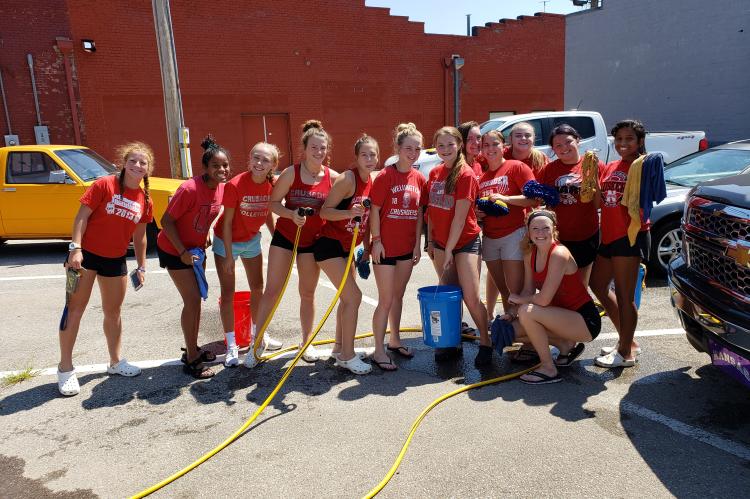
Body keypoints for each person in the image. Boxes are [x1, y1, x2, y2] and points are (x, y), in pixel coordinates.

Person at [56, 142, 154, 396]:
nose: (137, 166)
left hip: (115, 260)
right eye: (133, 161)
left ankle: (115, 361)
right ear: (124, 162)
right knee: (74, 309)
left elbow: (140, 236)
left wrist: (141, 265)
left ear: (148, 169)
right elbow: (81, 217)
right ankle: (65, 368)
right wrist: (75, 248)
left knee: (114, 312)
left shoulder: (144, 199)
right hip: (84, 257)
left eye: (143, 163)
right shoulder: (104, 185)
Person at [247, 120, 336, 367]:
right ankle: (256, 345)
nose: (319, 152)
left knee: (307, 293)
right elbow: (273, 204)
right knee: (273, 290)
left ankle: (306, 342)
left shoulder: (334, 178)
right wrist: (291, 214)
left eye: (323, 148)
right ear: (304, 149)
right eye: (314, 148)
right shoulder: (291, 173)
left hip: (312, 243)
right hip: (286, 238)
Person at [158, 136, 228, 379]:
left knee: (197, 299)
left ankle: (193, 347)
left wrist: (206, 232)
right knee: (192, 300)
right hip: (175, 250)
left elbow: (207, 214)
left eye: (225, 165)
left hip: (196, 251)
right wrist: (182, 253)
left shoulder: (221, 188)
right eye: (216, 166)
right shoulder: (189, 189)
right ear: (205, 169)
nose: (222, 170)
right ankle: (190, 358)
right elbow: (165, 221)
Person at [507, 210, 601, 384]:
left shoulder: (559, 253)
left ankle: (548, 368)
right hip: (559, 316)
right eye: (535, 228)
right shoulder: (530, 254)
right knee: (510, 330)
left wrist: (519, 302)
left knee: (527, 312)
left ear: (554, 229)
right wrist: (511, 313)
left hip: (585, 321)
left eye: (545, 228)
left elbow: (543, 300)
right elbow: (528, 290)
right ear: (528, 231)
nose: (540, 233)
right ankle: (564, 346)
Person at [424, 126, 492, 366]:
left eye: (450, 145)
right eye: (440, 146)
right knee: (450, 297)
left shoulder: (465, 175)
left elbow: (460, 218)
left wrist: (451, 250)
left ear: (459, 145)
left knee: (471, 297)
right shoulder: (434, 173)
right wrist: (431, 242)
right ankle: (451, 342)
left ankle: (486, 342)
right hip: (441, 243)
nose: (445, 150)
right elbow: (431, 210)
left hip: (464, 242)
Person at [214, 142, 281, 367]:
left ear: (273, 165)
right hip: (228, 242)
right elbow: (227, 222)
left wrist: (277, 238)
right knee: (228, 292)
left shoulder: (273, 184)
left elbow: (269, 213)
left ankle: (258, 335)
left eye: (265, 160)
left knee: (257, 289)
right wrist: (228, 257)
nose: (259, 163)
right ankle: (232, 344)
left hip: (252, 240)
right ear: (250, 159)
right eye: (256, 158)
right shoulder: (235, 184)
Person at [315, 134, 377, 374]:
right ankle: (348, 356)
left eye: (373, 155)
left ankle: (340, 348)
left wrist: (367, 247)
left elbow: (367, 220)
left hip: (347, 247)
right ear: (356, 157)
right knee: (353, 298)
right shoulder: (347, 179)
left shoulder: (371, 180)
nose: (369, 159)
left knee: (346, 299)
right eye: (365, 155)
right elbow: (325, 212)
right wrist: (349, 213)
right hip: (328, 245)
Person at [590, 120, 650, 368]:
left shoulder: (643, 166)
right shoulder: (611, 166)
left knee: (626, 296)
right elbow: (597, 203)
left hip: (630, 236)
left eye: (629, 139)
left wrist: (649, 164)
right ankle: (628, 340)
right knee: (597, 284)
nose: (623, 144)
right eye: (619, 140)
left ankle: (626, 352)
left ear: (640, 142)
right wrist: (592, 176)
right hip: (609, 235)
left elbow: (650, 197)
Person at [369, 123, 426, 371]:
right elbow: (374, 209)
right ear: (398, 149)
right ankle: (378, 350)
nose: (413, 153)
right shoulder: (385, 176)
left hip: (406, 248)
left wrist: (417, 245)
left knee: (398, 296)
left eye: (417, 148)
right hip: (385, 248)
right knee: (385, 300)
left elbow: (418, 213)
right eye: (408, 148)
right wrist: (377, 240)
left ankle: (394, 340)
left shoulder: (419, 178)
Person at [536, 124, 604, 286]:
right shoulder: (549, 170)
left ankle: (579, 311)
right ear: (553, 149)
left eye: (568, 142)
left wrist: (592, 179)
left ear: (578, 141)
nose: (564, 148)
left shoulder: (596, 165)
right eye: (558, 145)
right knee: (559, 284)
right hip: (559, 236)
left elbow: (599, 205)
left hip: (586, 235)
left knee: (580, 285)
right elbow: (539, 201)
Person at [478, 130, 537, 314]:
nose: (490, 149)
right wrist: (479, 212)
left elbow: (534, 199)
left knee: (516, 291)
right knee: (504, 290)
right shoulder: (482, 178)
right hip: (490, 237)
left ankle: (525, 332)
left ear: (504, 146)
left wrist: (506, 198)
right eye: (485, 145)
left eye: (495, 144)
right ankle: (511, 331)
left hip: (514, 234)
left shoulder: (516, 167)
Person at [458, 121, 500, 323]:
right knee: (455, 286)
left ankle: (481, 329)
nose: (476, 142)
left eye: (478, 138)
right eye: (470, 139)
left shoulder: (479, 163)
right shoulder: (454, 165)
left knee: (471, 287)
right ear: (461, 141)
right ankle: (456, 328)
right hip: (451, 235)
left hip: (473, 232)